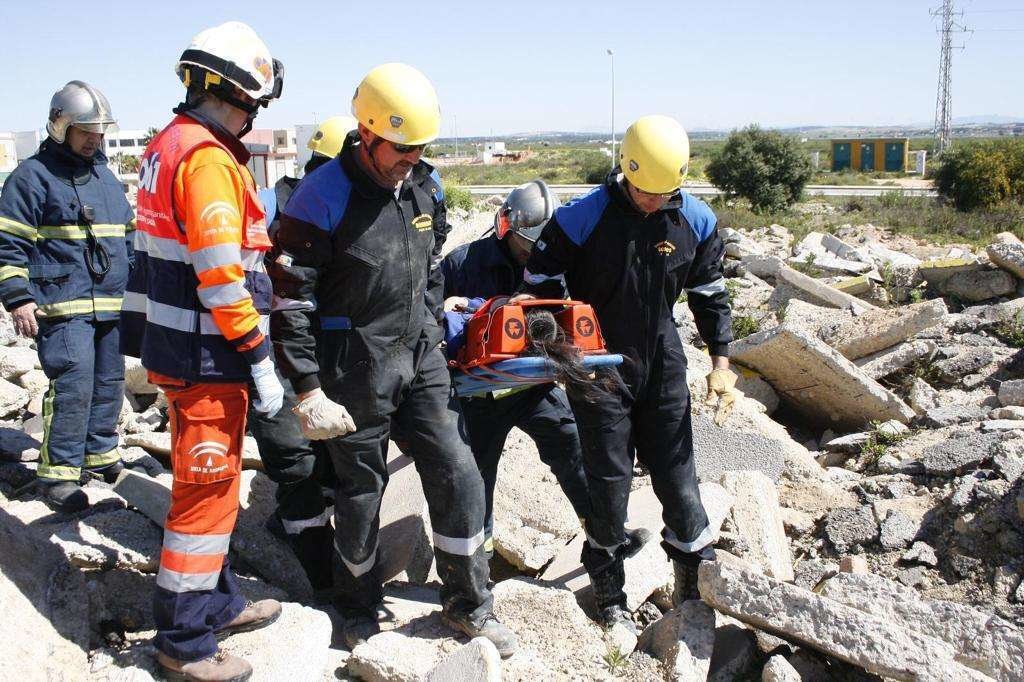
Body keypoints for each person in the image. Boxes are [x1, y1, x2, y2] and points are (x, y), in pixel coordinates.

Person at [268, 62, 516, 657]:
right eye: (401, 148)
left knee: (457, 467)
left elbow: (429, 268)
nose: (411, 158)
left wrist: (432, 328)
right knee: (361, 487)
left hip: (419, 357)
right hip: (352, 366)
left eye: (420, 148)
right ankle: (356, 606)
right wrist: (306, 386)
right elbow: (290, 298)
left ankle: (469, 604)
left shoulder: (422, 185)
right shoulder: (321, 196)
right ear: (368, 133)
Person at [513, 115, 740, 633]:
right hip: (596, 367)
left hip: (662, 364)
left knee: (681, 484)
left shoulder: (696, 222)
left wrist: (721, 363)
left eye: (664, 193)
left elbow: (709, 296)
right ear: (625, 172)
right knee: (609, 488)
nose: (652, 202)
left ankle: (691, 590)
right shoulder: (582, 218)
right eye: (643, 191)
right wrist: (561, 346)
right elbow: (538, 287)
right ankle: (610, 596)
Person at [119, 22, 287, 681]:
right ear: (235, 94)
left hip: (177, 343)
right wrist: (261, 358)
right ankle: (185, 642)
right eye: (254, 104)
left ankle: (216, 603)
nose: (253, 118)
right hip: (207, 352)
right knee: (207, 494)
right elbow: (220, 275)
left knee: (207, 488)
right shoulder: (209, 159)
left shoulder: (167, 145)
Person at [441, 179, 648, 559]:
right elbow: (429, 320)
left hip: (532, 387)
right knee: (477, 479)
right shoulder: (462, 264)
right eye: (526, 245)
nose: (532, 254)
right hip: (477, 393)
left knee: (572, 446)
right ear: (505, 227)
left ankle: (608, 534)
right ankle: (477, 565)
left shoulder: (557, 264)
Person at [0, 80, 133, 512]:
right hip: (61, 304)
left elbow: (127, 238)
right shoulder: (30, 179)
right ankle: (58, 473)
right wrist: (18, 297)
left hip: (109, 304)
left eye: (99, 133)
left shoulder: (107, 179)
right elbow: (8, 244)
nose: (95, 140)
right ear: (60, 128)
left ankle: (100, 455)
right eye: (86, 132)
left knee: (109, 382)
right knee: (73, 382)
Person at [248, 115, 357, 597]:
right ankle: (319, 582)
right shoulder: (273, 203)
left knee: (328, 455)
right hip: (271, 350)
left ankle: (300, 531)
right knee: (293, 458)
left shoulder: (349, 205)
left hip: (321, 350)